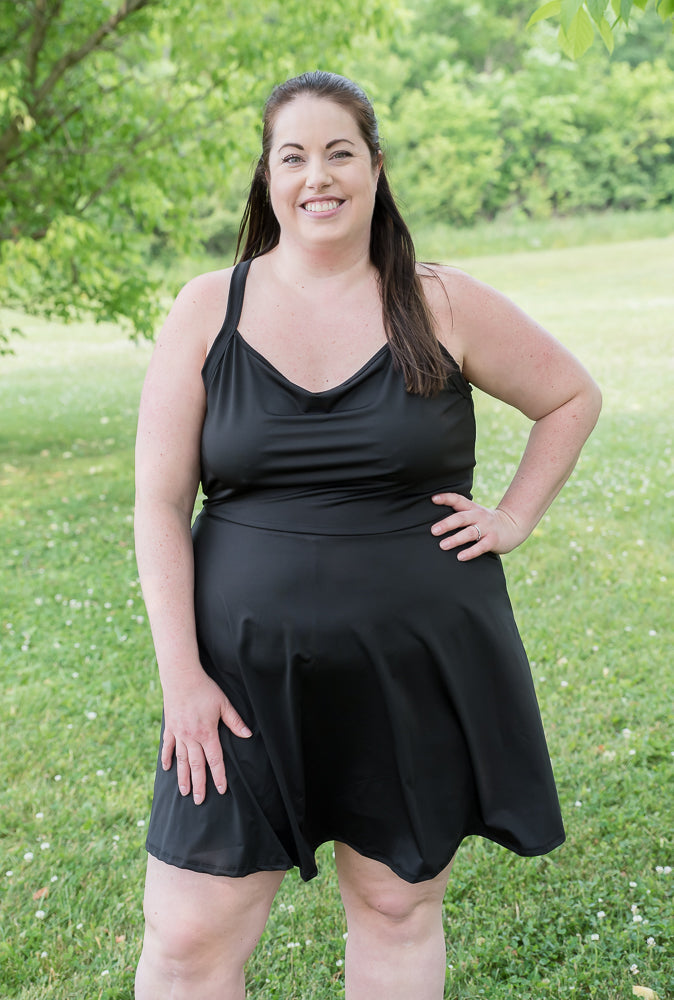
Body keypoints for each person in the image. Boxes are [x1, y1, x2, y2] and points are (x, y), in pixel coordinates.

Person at [133, 70, 601, 1000]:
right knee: (189, 934)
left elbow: (570, 396)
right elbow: (157, 505)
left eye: (340, 152)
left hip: (413, 664)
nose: (319, 176)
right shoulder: (205, 309)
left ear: (376, 168)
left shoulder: (441, 303)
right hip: (236, 675)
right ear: (267, 180)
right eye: (294, 156)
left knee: (395, 909)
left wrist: (513, 516)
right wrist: (181, 678)